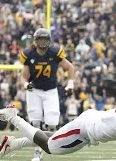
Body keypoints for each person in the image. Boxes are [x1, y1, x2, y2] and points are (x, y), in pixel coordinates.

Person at [18, 28, 75, 161]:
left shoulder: (54, 53)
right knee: (35, 122)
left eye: (45, 39)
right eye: (40, 39)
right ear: (35, 41)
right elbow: (24, 77)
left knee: (52, 122)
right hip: (34, 91)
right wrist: (27, 85)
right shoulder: (29, 54)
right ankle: (37, 153)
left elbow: (70, 67)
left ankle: (54, 148)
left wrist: (70, 84)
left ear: (49, 41)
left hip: (50, 91)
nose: (43, 42)